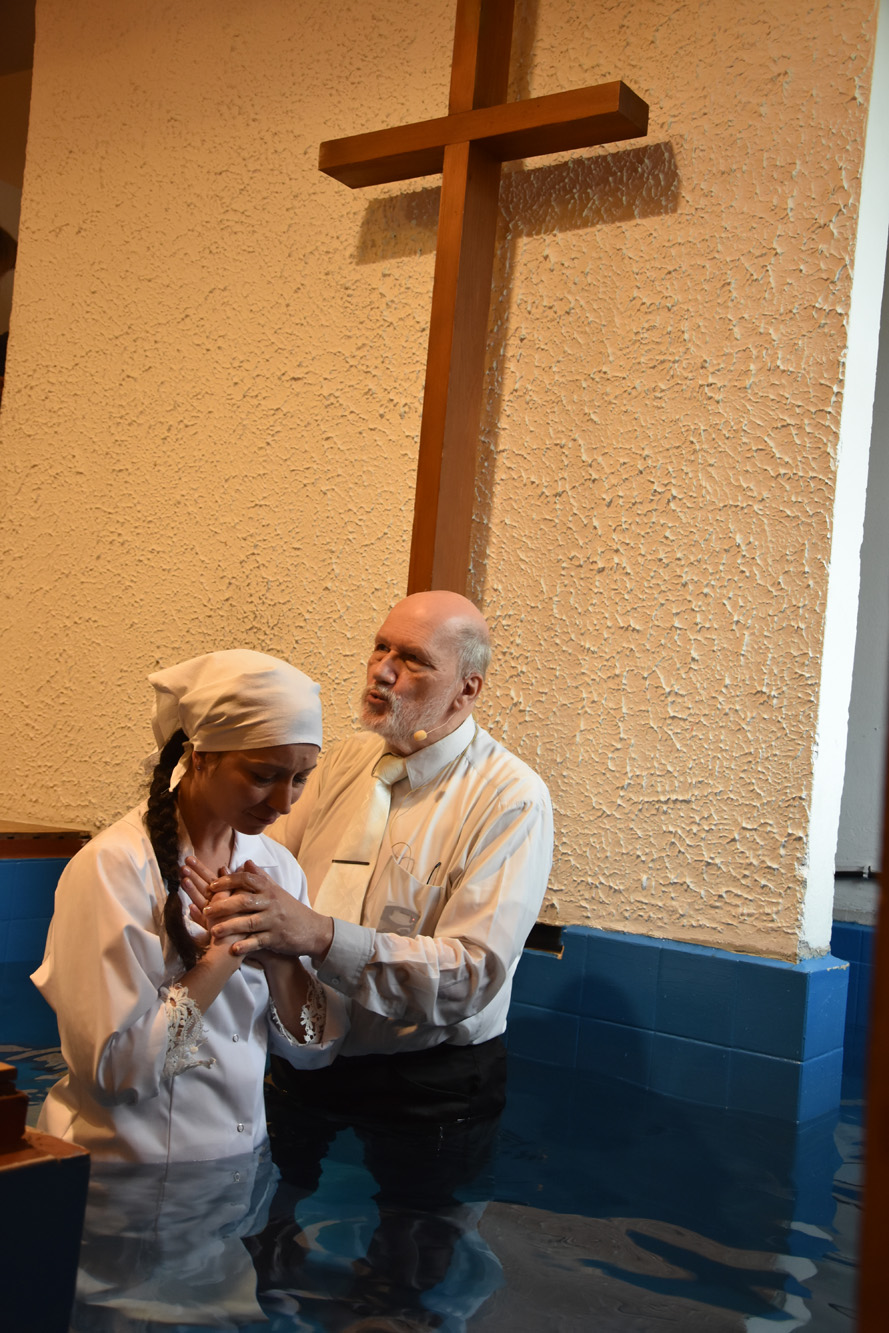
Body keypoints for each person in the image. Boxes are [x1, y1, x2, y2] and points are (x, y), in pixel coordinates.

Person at [185, 594, 552, 1323]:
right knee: (256, 1227)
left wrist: (319, 936)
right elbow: (266, 870)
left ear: (466, 689)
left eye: (412, 660)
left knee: (410, 1273)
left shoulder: (511, 798)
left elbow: (473, 974)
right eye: (381, 648)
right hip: (302, 1042)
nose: (382, 671)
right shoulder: (333, 766)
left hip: (431, 1076)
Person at [32, 649, 346, 1163]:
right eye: (264, 775)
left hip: (240, 1166)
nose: (285, 803)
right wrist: (226, 953)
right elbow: (114, 1073)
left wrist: (278, 956)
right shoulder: (115, 868)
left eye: (300, 778)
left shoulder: (278, 869)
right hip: (126, 1173)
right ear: (201, 756)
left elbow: (312, 1051)